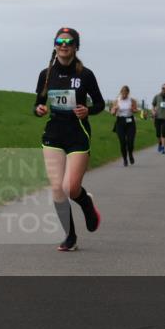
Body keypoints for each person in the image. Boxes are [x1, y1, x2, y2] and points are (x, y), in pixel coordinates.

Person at [34, 27, 105, 252]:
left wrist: (88, 111)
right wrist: (39, 109)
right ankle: (70, 236)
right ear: (55, 45)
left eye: (69, 41)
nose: (64, 45)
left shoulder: (85, 74)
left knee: (71, 188)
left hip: (78, 134)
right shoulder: (46, 74)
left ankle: (86, 203)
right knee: (57, 188)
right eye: (60, 41)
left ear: (76, 46)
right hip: (53, 134)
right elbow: (37, 103)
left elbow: (100, 104)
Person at [109, 86, 139, 166]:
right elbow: (112, 113)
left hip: (130, 122)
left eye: (126, 92)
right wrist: (114, 109)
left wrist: (133, 110)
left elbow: (136, 110)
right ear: (121, 92)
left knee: (130, 142)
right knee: (122, 142)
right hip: (120, 122)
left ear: (128, 93)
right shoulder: (116, 101)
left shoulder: (132, 100)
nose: (124, 94)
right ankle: (125, 159)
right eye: (123, 92)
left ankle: (130, 155)